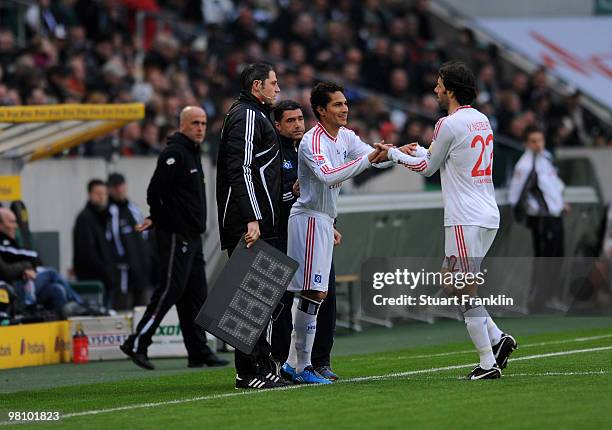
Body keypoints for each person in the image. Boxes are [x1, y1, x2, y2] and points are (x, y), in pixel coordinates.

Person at [382, 61, 517, 379]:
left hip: (464, 216)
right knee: (453, 282)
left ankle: (487, 363)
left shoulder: (447, 123)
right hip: (487, 212)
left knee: (460, 287)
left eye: (440, 84)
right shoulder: (481, 120)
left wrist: (394, 154)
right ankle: (498, 339)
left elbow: (429, 168)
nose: (436, 89)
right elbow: (445, 157)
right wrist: (419, 152)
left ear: (451, 90)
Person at [282, 81, 391, 384]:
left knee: (316, 292)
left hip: (325, 220)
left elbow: (374, 158)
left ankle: (295, 364)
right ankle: (301, 367)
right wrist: (369, 159)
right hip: (309, 218)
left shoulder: (345, 136)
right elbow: (329, 176)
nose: (345, 109)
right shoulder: (311, 141)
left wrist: (397, 154)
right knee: (314, 292)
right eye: (337, 105)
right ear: (320, 110)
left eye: (345, 103)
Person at [121, 106, 228, 370]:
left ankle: (198, 351)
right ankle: (137, 342)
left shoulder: (192, 153)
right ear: (182, 125)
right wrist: (158, 218)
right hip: (175, 235)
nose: (201, 128)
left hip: (192, 236)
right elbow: (155, 191)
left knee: (195, 294)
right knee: (169, 290)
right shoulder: (175, 154)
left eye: (203, 123)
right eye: (195, 123)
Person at [216, 63, 285, 389]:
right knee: (249, 300)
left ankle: (261, 364)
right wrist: (251, 217)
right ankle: (247, 372)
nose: (278, 89)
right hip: (247, 222)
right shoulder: (246, 115)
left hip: (258, 220)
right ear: (257, 86)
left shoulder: (254, 114)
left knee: (261, 300)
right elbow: (240, 169)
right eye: (273, 83)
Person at [270, 99, 340, 381]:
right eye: (290, 120)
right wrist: (292, 192)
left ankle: (319, 361)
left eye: (300, 118)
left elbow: (326, 192)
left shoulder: (314, 145)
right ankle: (285, 362)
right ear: (277, 125)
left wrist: (333, 224)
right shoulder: (275, 154)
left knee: (326, 295)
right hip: (289, 235)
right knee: (287, 300)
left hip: (318, 229)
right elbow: (273, 198)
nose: (298, 124)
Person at [508, 125, 566, 311]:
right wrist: (529, 213)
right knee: (544, 260)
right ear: (526, 143)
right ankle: (537, 300)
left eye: (540, 140)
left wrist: (561, 202)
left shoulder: (546, 158)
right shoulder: (524, 166)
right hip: (541, 218)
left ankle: (550, 297)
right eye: (533, 141)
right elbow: (515, 195)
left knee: (557, 257)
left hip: (555, 214)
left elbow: (553, 184)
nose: (538, 145)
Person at [0, 208, 82, 317]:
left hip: (24, 284)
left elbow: (21, 258)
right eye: (12, 222)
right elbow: (6, 271)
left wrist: (26, 268)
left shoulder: (11, 240)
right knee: (51, 273)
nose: (16, 226)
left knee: (57, 289)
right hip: (12, 289)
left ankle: (65, 324)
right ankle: (80, 305)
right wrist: (26, 267)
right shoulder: (3, 242)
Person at [107, 172, 152, 310]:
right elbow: (111, 238)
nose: (119, 189)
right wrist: (121, 260)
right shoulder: (110, 211)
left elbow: (145, 232)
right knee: (123, 310)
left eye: (121, 185)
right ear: (110, 189)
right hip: (123, 274)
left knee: (143, 310)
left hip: (141, 270)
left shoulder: (133, 209)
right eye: (115, 187)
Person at [73, 179, 117, 307]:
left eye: (104, 193)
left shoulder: (104, 217)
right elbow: (87, 253)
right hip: (94, 282)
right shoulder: (85, 219)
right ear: (90, 195)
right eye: (98, 193)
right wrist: (108, 273)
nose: (102, 197)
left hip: (105, 280)